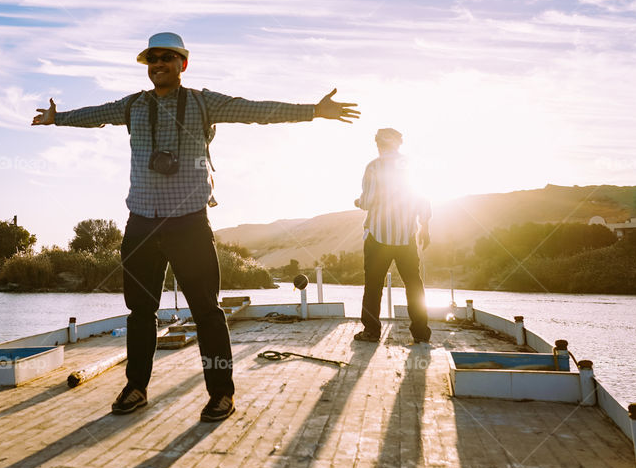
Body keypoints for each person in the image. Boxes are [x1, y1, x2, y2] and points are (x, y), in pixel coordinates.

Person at [33, 32, 359, 421]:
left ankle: (221, 394)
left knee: (206, 311)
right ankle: (136, 388)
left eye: (167, 58)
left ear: (182, 64)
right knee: (140, 312)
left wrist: (312, 111)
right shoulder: (133, 105)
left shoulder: (204, 104)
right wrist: (58, 119)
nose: (158, 65)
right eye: (152, 59)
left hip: (188, 222)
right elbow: (95, 115)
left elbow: (257, 110)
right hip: (141, 222)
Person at [353, 128, 432, 344]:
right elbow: (422, 200)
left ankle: (371, 332)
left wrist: (358, 202)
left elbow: (368, 202)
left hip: (378, 236)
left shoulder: (374, 167)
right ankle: (421, 332)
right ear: (398, 144)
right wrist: (424, 226)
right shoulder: (411, 165)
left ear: (378, 144)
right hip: (406, 236)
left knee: (373, 285)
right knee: (413, 284)